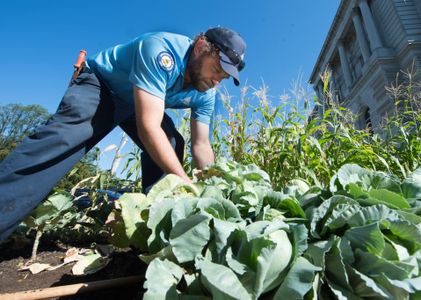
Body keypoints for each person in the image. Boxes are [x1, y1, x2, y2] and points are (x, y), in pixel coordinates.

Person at [0, 27, 247, 242]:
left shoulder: (207, 92)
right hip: (102, 86)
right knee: (64, 140)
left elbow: (202, 145)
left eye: (223, 77)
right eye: (216, 69)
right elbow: (148, 127)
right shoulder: (161, 49)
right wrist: (183, 180)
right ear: (201, 47)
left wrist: (213, 187)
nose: (216, 81)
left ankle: (152, 230)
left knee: (171, 144)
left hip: (140, 102)